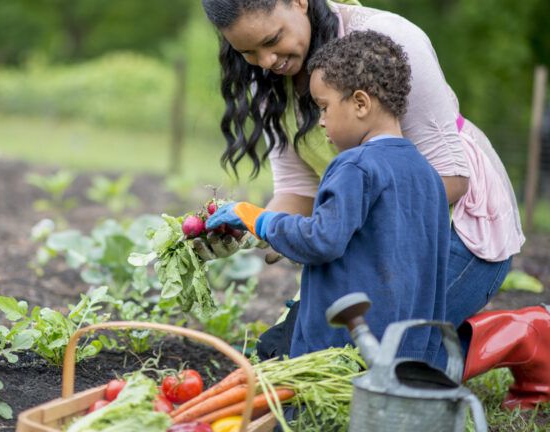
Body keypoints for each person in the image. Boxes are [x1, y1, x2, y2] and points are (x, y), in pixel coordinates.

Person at [200, 0, 549, 409]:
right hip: (363, 227)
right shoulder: (269, 76)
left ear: (298, 2)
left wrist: (340, 227)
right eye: (248, 53)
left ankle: (528, 334)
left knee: (376, 370)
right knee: (291, 358)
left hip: (456, 227)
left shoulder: (387, 41)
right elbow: (297, 191)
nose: (266, 61)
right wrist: (252, 230)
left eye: (272, 40)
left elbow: (451, 179)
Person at [208, 29, 450, 368]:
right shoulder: (427, 175)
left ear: (361, 103)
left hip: (341, 351)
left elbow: (321, 240)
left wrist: (257, 218)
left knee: (300, 416)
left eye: (323, 107)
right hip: (406, 354)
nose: (320, 122)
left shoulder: (355, 166)